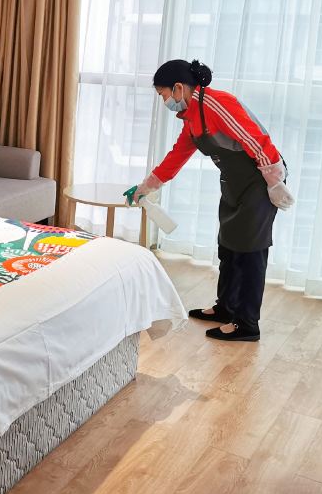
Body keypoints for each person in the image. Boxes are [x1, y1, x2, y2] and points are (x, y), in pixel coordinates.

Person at [126, 59, 295, 342]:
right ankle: (226, 307)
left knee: (250, 252)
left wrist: (275, 182)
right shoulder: (192, 117)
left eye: (163, 94)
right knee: (228, 245)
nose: (165, 101)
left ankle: (246, 324)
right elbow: (176, 156)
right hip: (234, 183)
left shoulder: (217, 104)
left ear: (178, 88)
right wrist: (146, 187)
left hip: (260, 181)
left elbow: (256, 141)